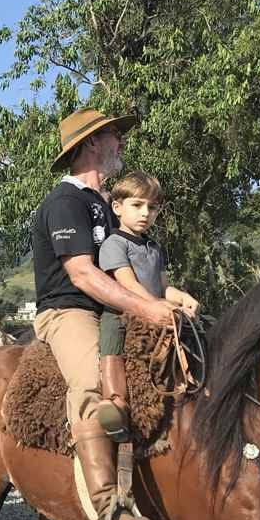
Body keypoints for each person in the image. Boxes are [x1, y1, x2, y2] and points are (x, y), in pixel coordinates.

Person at [32, 107, 173, 520]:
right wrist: (148, 310)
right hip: (69, 312)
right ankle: (110, 512)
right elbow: (83, 275)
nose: (121, 142)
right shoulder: (64, 201)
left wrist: (168, 299)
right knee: (93, 384)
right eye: (114, 135)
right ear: (92, 143)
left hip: (112, 309)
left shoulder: (106, 206)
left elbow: (127, 270)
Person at [96, 171, 199, 439]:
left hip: (156, 310)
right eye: (137, 205)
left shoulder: (154, 247)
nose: (146, 213)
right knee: (111, 337)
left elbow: (163, 285)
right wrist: (156, 305)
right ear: (117, 208)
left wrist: (181, 298)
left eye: (152, 208)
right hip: (123, 312)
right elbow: (128, 284)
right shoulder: (113, 244)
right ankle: (114, 401)